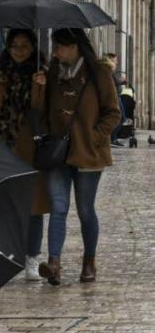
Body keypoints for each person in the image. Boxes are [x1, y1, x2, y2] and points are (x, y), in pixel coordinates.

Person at [37, 28, 120, 286]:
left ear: (74, 47)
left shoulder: (99, 73)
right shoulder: (52, 72)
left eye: (59, 47)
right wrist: (38, 88)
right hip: (57, 154)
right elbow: (43, 110)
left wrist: (94, 138)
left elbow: (113, 113)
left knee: (85, 210)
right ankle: (54, 264)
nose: (55, 52)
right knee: (58, 208)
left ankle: (89, 262)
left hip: (88, 154)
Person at [0, 29, 50, 281]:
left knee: (33, 207)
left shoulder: (43, 74)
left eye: (25, 45)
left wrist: (42, 86)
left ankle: (31, 258)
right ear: (7, 48)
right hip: (2, 148)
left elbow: (43, 114)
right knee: (3, 206)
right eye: (15, 45)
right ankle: (5, 255)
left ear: (33, 48)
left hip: (31, 149)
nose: (20, 50)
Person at [103, 53, 125, 147]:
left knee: (121, 117)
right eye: (115, 59)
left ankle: (113, 138)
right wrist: (123, 80)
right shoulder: (109, 70)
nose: (117, 61)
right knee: (119, 117)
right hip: (114, 97)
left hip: (117, 96)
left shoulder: (111, 70)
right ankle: (112, 138)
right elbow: (115, 81)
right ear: (111, 59)